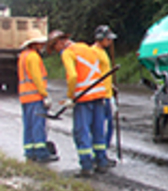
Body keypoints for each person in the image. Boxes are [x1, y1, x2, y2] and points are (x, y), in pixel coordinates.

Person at [48, 31, 111, 177]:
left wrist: (70, 96)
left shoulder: (67, 53)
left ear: (59, 42)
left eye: (55, 47)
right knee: (98, 130)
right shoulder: (86, 48)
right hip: (99, 95)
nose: (57, 51)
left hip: (83, 99)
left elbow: (73, 76)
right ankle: (101, 162)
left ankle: (86, 166)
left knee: (81, 131)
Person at [18, 30, 57, 163]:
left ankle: (30, 151)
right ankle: (41, 153)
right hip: (35, 96)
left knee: (29, 125)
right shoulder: (33, 57)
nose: (42, 45)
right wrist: (44, 95)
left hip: (25, 97)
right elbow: (37, 78)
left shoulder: (23, 56)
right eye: (40, 43)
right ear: (34, 44)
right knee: (38, 125)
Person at [92, 25, 117, 166]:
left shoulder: (101, 51)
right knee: (103, 127)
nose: (110, 42)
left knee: (108, 126)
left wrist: (111, 86)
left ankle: (102, 154)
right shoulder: (94, 52)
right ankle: (100, 155)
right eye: (108, 39)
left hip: (107, 93)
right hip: (101, 95)